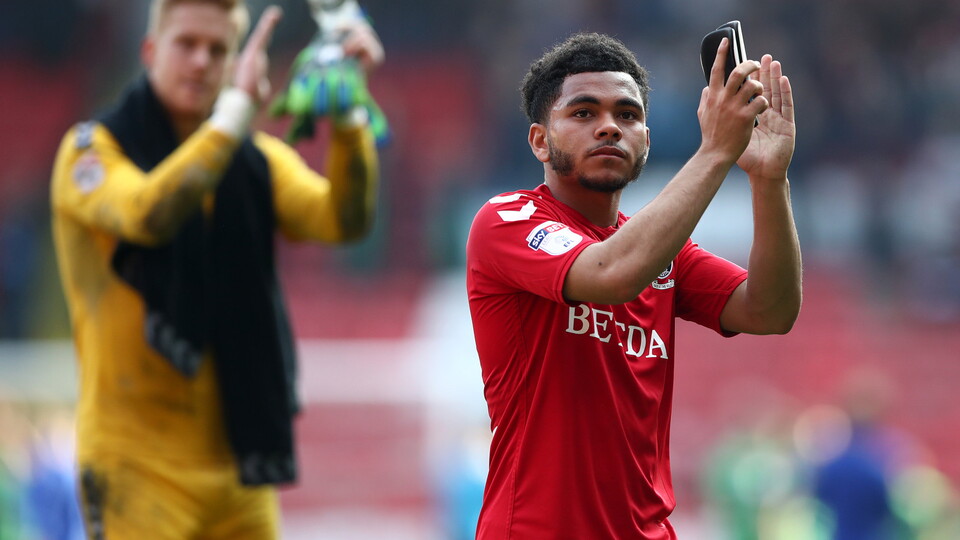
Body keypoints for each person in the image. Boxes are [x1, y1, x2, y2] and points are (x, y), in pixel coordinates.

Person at [50, 0, 383, 537]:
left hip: (238, 473)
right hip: (134, 466)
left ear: (234, 62)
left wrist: (349, 116)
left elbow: (342, 220)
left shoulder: (254, 160)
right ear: (150, 51)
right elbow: (147, 214)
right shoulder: (91, 151)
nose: (202, 61)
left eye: (218, 49)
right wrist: (233, 116)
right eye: (187, 44)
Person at [466, 32, 802, 538]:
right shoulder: (507, 220)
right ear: (539, 140)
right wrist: (715, 152)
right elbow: (610, 274)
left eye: (627, 115)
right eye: (583, 113)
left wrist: (768, 180)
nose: (609, 127)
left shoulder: (658, 250)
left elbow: (770, 311)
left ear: (646, 138)